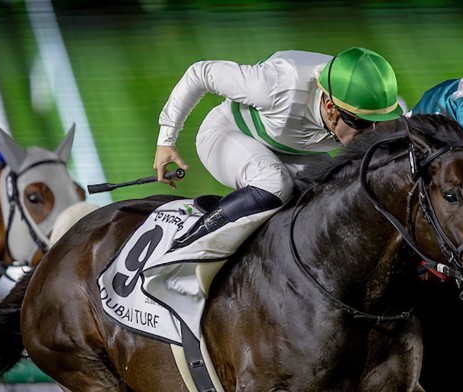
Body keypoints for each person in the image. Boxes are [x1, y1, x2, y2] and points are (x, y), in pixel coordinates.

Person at [152, 47, 403, 248]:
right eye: (359, 122)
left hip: (296, 152)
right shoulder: (276, 85)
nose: (372, 133)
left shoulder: (376, 107)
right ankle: (188, 243)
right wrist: (166, 139)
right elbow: (200, 73)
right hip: (228, 134)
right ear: (329, 106)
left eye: (379, 122)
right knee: (274, 182)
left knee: (339, 189)